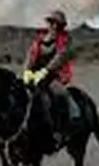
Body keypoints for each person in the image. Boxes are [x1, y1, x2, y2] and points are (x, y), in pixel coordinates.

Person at [21, 9, 80, 144]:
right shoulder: (39, 40)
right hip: (34, 75)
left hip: (55, 76)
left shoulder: (65, 40)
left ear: (61, 26)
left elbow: (61, 57)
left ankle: (60, 130)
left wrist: (46, 71)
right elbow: (30, 56)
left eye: (57, 23)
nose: (53, 26)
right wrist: (27, 71)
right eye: (51, 22)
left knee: (61, 94)